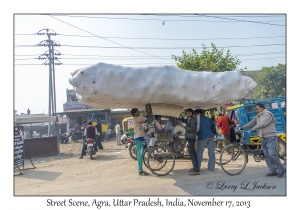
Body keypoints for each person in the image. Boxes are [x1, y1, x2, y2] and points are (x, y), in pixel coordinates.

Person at [240, 103, 286, 177]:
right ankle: (272, 170)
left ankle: (281, 168)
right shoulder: (258, 116)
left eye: (257, 109)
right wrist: (243, 127)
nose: (256, 111)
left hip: (270, 137)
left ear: (262, 108)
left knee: (271, 154)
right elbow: (252, 122)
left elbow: (262, 124)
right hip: (263, 137)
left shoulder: (267, 114)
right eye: (255, 109)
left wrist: (253, 129)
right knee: (266, 155)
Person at [131, 107, 153, 176]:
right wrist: (147, 115)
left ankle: (141, 170)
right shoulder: (135, 119)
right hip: (138, 138)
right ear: (135, 113)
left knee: (140, 154)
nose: (139, 112)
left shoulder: (137, 119)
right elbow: (142, 119)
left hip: (140, 138)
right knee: (140, 155)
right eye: (137, 111)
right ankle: (140, 171)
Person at [178, 108, 198, 175]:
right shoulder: (190, 119)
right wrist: (181, 117)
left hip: (191, 137)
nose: (186, 114)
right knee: (191, 153)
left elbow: (192, 129)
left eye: (187, 113)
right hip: (190, 137)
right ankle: (195, 168)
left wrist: (183, 127)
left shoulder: (193, 119)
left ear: (190, 113)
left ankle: (196, 170)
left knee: (192, 153)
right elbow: (184, 120)